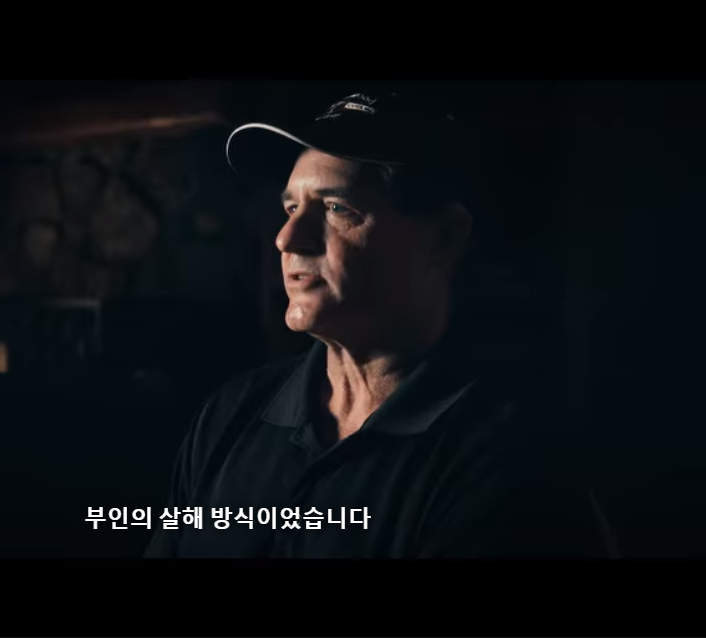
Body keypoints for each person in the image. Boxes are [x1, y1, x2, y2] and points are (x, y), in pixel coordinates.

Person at [144, 90, 618, 558]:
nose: (287, 238)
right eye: (291, 208)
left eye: (337, 208)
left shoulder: (507, 464)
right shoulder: (230, 415)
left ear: (445, 238)